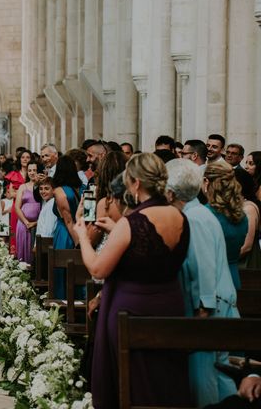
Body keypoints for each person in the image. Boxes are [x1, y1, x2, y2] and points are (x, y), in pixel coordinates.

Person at [73, 152, 191, 409]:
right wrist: (117, 232)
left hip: (132, 308)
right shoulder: (180, 217)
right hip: (170, 305)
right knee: (162, 377)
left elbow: (97, 268)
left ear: (136, 183)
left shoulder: (132, 222)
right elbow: (152, 253)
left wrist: (82, 235)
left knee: (132, 380)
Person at [165, 158, 239, 407]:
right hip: (215, 306)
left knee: (205, 380)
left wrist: (202, 313)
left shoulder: (194, 218)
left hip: (209, 311)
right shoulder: (198, 213)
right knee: (220, 376)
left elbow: (203, 268)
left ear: (172, 192)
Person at [203, 161, 248, 289]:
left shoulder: (204, 214)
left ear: (206, 182)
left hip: (211, 280)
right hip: (233, 277)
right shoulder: (241, 216)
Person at [51, 155, 82, 299]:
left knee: (63, 270)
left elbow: (69, 221)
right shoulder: (82, 188)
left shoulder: (59, 192)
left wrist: (78, 243)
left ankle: (63, 303)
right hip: (82, 230)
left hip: (66, 234)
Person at [15, 162, 41, 264]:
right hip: (23, 224)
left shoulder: (42, 186)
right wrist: (26, 222)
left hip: (38, 224)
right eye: (30, 170)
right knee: (23, 250)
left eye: (34, 170)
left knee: (34, 252)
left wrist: (35, 223)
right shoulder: (22, 187)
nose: (32, 173)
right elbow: (17, 207)